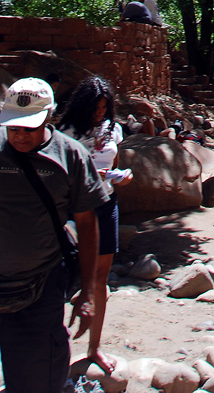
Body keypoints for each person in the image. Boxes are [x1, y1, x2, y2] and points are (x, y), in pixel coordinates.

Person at [0, 77, 108, 393]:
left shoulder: (72, 157)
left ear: (50, 116)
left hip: (39, 288)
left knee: (36, 383)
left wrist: (87, 293)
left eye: (29, 128)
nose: (19, 136)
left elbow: (88, 227)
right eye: (13, 127)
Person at [58, 76, 131, 376]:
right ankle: (56, 350)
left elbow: (114, 164)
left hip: (106, 205)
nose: (100, 113)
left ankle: (94, 348)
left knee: (101, 279)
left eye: (104, 107)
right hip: (74, 211)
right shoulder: (66, 132)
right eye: (95, 107)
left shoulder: (113, 128)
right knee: (62, 278)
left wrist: (122, 176)